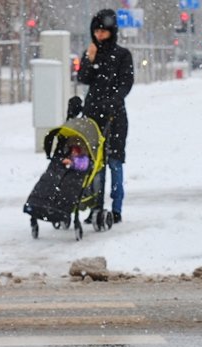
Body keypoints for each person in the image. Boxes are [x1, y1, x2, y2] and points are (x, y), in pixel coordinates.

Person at [76, 8, 134, 224]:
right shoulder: (91, 52)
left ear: (112, 32)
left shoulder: (122, 55)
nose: (99, 35)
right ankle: (95, 206)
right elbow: (83, 78)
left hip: (115, 116)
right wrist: (89, 60)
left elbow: (126, 83)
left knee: (114, 161)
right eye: (97, 31)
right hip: (92, 115)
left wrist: (113, 102)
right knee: (93, 163)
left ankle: (116, 208)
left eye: (104, 31)